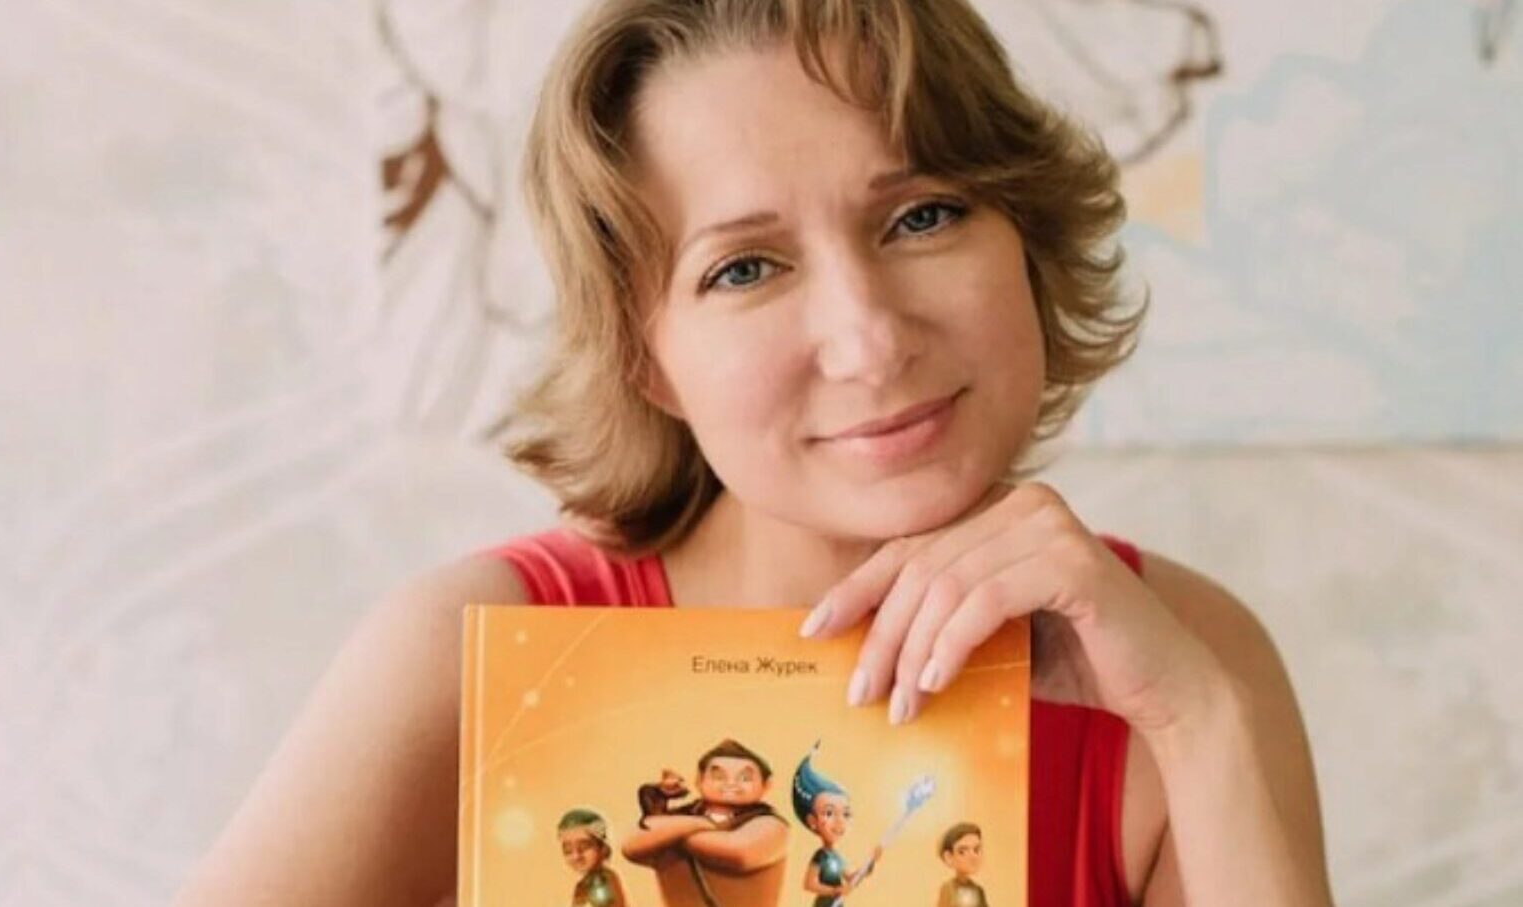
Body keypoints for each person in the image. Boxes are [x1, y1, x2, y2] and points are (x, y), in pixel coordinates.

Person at [172, 1, 1333, 905]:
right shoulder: (470, 659)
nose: (868, 340)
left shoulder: (1190, 656)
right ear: (646, 357)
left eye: (922, 215)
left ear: (1023, 237)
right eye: (743, 268)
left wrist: (1198, 720)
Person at [621, 739, 790, 907]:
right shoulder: (682, 816)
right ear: (699, 780)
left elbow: (739, 854)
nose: (731, 783)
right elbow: (632, 846)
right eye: (719, 776)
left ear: (766, 785)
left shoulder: (770, 824)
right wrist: (700, 823)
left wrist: (665, 832)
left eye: (745, 778)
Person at [790, 742, 881, 906]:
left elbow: (852, 878)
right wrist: (834, 891)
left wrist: (871, 862)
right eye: (829, 813)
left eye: (845, 814)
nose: (840, 821)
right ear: (812, 821)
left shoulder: (837, 857)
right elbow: (809, 884)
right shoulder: (821, 856)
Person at [557, 809, 631, 907]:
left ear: (603, 848)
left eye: (584, 847)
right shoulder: (585, 883)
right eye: (568, 851)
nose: (576, 856)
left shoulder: (601, 880)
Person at [935, 822, 989, 907]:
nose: (972, 856)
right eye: (962, 852)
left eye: (976, 850)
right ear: (949, 857)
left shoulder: (978, 890)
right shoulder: (948, 889)